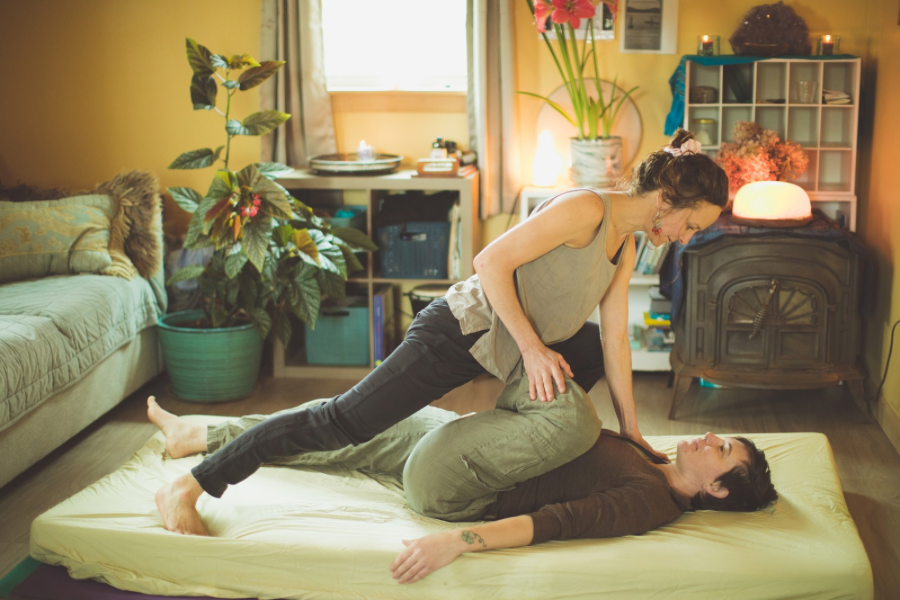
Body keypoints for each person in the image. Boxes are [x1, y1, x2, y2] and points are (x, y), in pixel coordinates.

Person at [154, 128, 731, 534]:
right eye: (691, 223)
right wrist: (532, 350)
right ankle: (195, 482)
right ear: (672, 198)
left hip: (502, 352)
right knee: (343, 423)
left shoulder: (625, 246)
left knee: (589, 350)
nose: (684, 237)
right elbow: (489, 263)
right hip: (458, 332)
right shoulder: (585, 210)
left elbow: (615, 341)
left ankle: (199, 434)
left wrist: (632, 432)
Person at [147, 377, 776, 585]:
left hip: (461, 488)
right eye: (720, 437)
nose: (707, 439)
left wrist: (460, 542)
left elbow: (558, 523)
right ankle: (200, 441)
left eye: (721, 450)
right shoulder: (651, 457)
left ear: (717, 489)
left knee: (569, 406)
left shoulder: (649, 501)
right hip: (462, 446)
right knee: (344, 426)